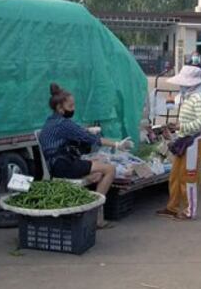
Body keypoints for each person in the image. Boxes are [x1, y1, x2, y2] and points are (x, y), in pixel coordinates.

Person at [40, 83, 132, 225]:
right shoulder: (63, 124)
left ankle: (89, 213)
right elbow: (90, 139)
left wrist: (87, 131)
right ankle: (95, 214)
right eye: (70, 107)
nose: (73, 109)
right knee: (110, 170)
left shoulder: (51, 120)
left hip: (57, 165)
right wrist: (116, 144)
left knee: (97, 174)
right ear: (60, 108)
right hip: (63, 166)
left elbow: (77, 132)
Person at [157, 65, 201, 220]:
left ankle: (189, 211)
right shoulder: (188, 96)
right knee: (175, 176)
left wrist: (181, 126)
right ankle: (172, 207)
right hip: (184, 140)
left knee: (188, 178)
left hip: (193, 142)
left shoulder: (199, 98)